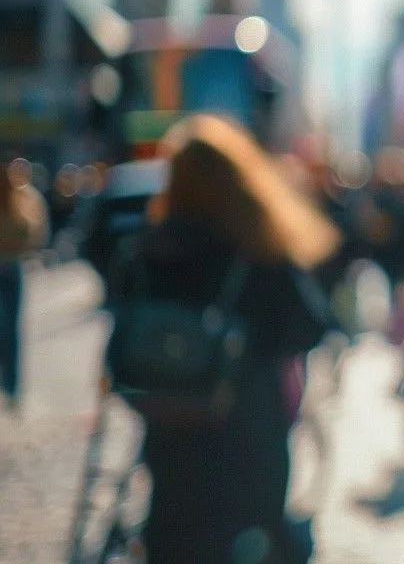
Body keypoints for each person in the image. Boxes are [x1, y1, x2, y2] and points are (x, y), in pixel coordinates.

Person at [104, 115, 338, 564]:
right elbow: (310, 327)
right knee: (251, 540)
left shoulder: (146, 249)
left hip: (170, 425)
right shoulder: (258, 251)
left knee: (173, 535)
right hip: (247, 432)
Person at [0, 159, 49, 410]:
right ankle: (9, 381)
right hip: (10, 267)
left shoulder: (21, 199)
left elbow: (33, 231)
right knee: (7, 327)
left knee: (10, 328)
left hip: (11, 267)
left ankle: (11, 383)